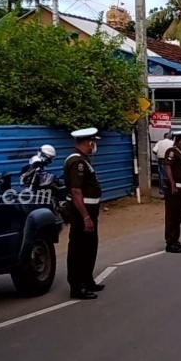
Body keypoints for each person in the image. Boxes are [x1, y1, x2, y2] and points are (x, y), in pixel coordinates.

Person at [63, 128, 105, 300]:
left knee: (90, 246)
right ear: (89, 142)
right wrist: (86, 217)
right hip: (82, 213)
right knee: (79, 249)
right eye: (93, 142)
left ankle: (87, 280)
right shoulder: (76, 162)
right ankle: (77, 286)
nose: (94, 145)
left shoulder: (83, 160)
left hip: (90, 211)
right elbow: (75, 191)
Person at [163, 130, 181, 254]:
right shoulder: (171, 151)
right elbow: (168, 167)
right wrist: (172, 184)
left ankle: (176, 240)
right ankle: (170, 242)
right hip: (174, 189)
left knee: (178, 216)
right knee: (172, 216)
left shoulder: (180, 152)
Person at [154, 132, 174, 197]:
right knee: (170, 175)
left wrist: (157, 155)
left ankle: (162, 191)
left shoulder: (159, 142)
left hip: (161, 160)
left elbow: (154, 150)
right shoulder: (172, 143)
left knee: (161, 176)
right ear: (170, 137)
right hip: (169, 161)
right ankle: (170, 190)